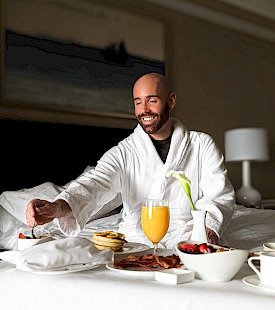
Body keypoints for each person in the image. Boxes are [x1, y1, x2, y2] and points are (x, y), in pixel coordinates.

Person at [26, 72, 235, 247]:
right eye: (138, 102)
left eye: (152, 100)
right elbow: (94, 184)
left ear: (171, 101)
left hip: (190, 241)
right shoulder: (124, 152)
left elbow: (219, 195)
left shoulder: (201, 145)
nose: (144, 110)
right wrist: (57, 206)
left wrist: (206, 232)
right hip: (138, 243)